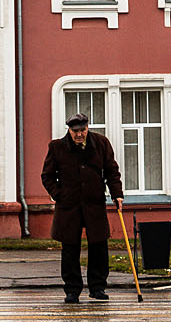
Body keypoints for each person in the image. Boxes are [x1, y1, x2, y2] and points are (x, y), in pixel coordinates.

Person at [40, 112, 124, 303]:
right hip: (69, 206)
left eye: (83, 130)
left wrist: (117, 194)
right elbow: (47, 176)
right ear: (69, 130)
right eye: (75, 131)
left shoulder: (101, 143)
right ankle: (72, 290)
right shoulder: (57, 147)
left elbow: (112, 170)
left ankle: (97, 287)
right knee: (70, 248)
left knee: (99, 246)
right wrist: (59, 194)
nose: (79, 135)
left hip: (94, 204)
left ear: (88, 128)